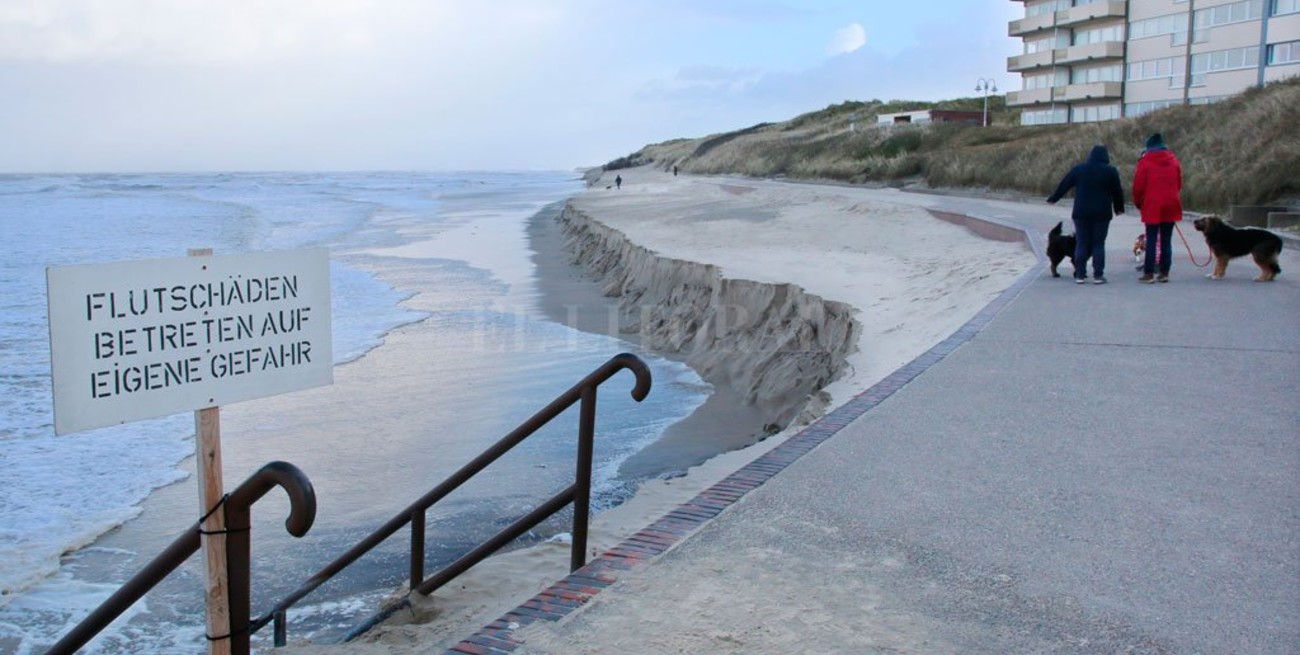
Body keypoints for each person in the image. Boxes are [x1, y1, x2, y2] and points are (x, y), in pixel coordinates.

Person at [1046, 144, 1126, 284]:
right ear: (1105, 157)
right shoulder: (1110, 171)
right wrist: (1119, 208)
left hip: (1081, 213)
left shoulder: (1079, 169)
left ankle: (1080, 275)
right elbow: (1117, 191)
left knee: (1081, 243)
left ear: (1090, 156)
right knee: (1098, 244)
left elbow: (1065, 183)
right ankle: (1098, 276)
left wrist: (1054, 198)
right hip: (1102, 214)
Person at [1132, 132, 1183, 283]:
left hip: (1152, 204)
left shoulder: (1145, 161)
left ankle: (1149, 274)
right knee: (1166, 240)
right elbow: (1179, 183)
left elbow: (1138, 187)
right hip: (1171, 204)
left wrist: (1139, 202)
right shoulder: (1174, 161)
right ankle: (1164, 272)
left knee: (1152, 239)